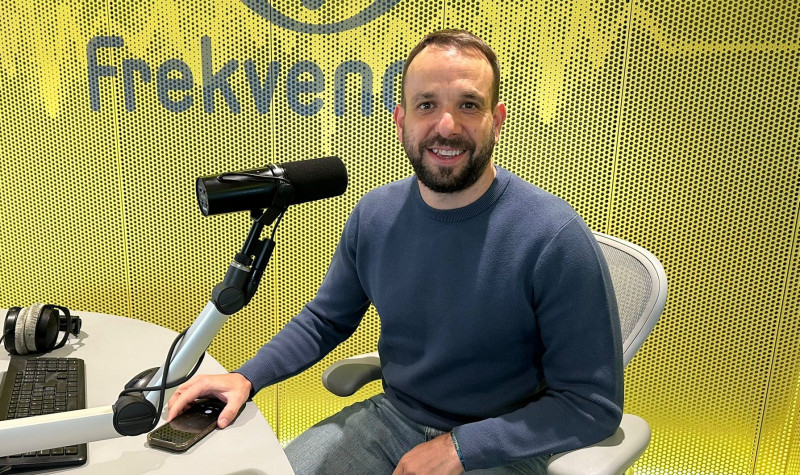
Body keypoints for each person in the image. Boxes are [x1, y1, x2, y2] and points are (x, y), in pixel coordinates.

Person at [168, 29, 623, 474]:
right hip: (392, 418)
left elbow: (591, 404)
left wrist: (462, 448)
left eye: (468, 105)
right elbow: (326, 319)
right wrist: (247, 377)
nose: (447, 126)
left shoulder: (553, 236)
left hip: (500, 444)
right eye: (427, 105)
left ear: (497, 120)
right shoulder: (375, 215)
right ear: (401, 120)